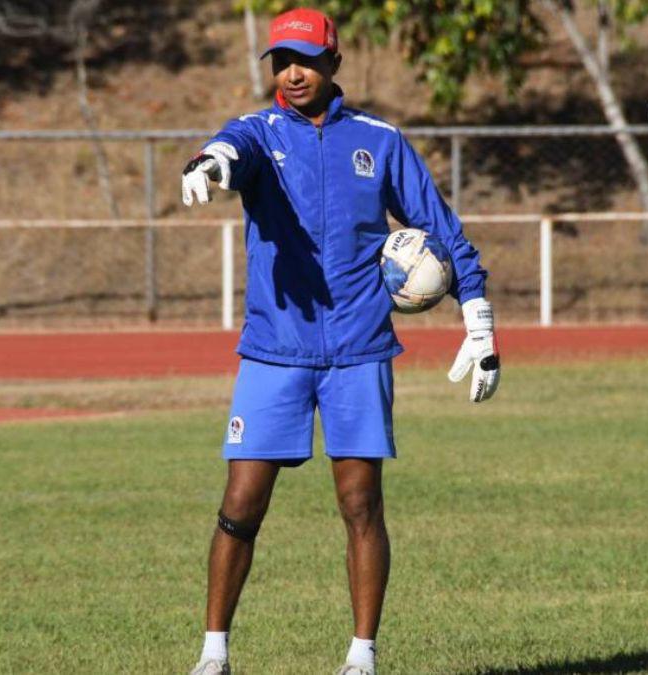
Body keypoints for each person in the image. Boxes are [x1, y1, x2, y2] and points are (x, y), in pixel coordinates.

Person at [179, 8, 500, 675]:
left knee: (361, 505)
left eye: (304, 60)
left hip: (358, 350)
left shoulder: (379, 141)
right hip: (274, 349)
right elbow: (229, 151)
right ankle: (214, 654)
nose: (292, 73)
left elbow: (441, 228)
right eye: (280, 62)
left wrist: (478, 318)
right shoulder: (260, 135)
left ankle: (362, 656)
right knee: (241, 504)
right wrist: (208, 163)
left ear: (333, 64)